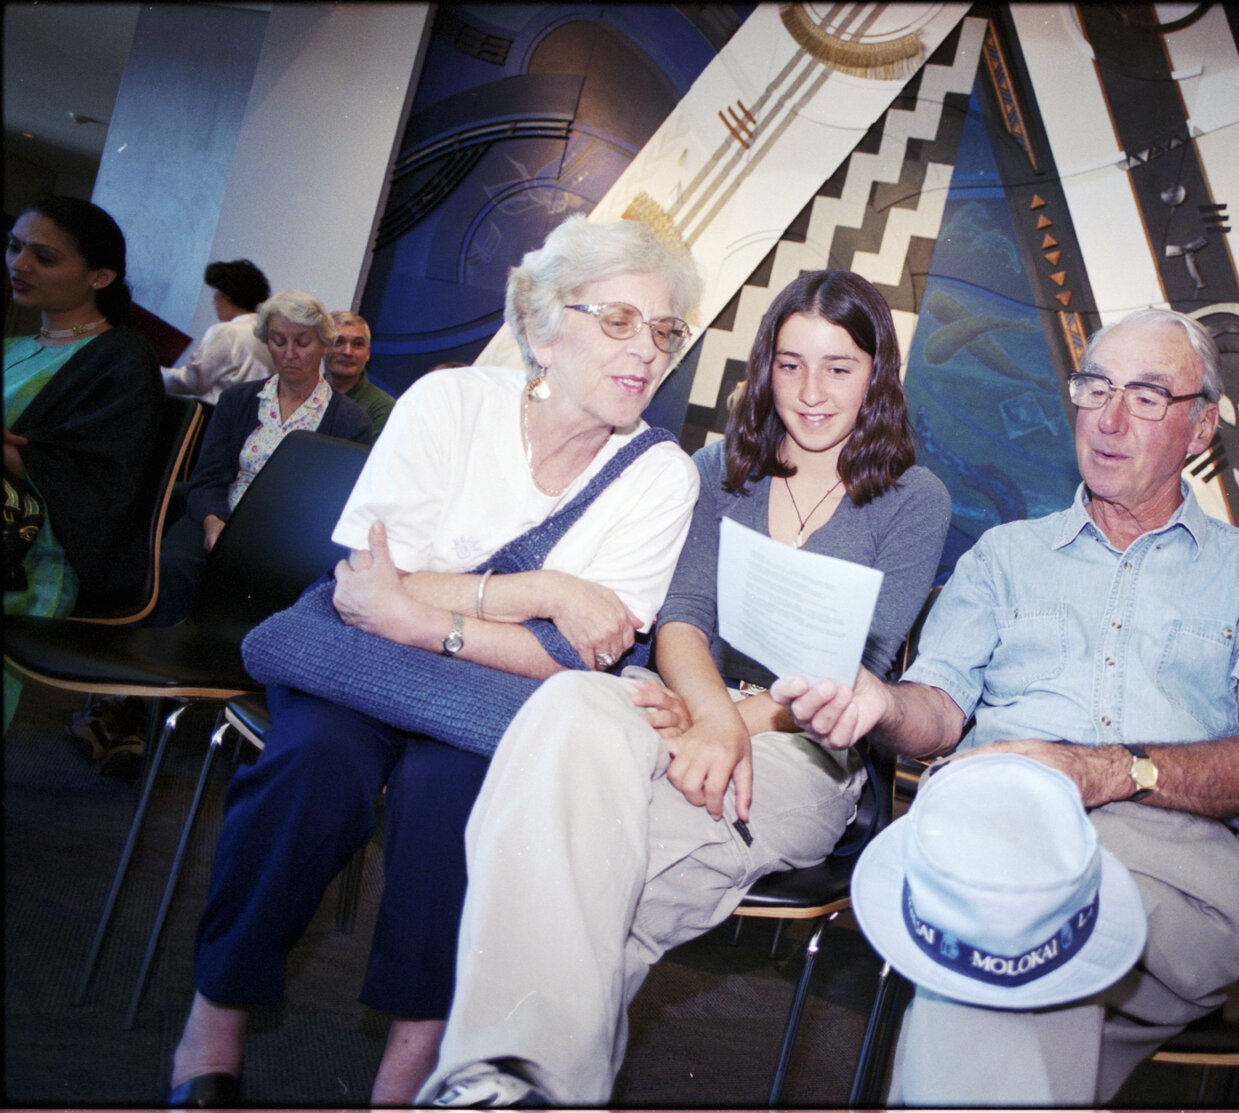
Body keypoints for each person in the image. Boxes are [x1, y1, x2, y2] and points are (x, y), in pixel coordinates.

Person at [166, 214, 705, 1106]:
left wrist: (430, 616)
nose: (646, 350)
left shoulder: (661, 475)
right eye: (617, 321)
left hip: (491, 693)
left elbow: (576, 656)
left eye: (663, 330)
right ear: (539, 325)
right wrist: (542, 591)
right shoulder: (450, 403)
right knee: (312, 766)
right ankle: (211, 1026)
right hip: (362, 659)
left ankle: (409, 1072)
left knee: (455, 801)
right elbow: (371, 581)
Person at [775, 307, 1239, 1105]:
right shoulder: (1003, 559)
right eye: (1096, 387)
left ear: (1201, 427)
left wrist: (1105, 771)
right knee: (1006, 980)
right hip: (999, 841)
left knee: (991, 950)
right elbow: (937, 711)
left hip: (1173, 875)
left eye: (1147, 397)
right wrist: (881, 703)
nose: (1110, 420)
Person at [420, 270, 951, 1105]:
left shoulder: (914, 498)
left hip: (803, 746)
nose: (811, 393)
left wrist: (725, 724)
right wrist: (707, 713)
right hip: (684, 698)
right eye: (790, 364)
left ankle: (503, 1081)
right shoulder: (721, 467)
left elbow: (863, 672)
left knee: (586, 871)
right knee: (568, 701)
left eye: (839, 368)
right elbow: (684, 616)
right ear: (765, 368)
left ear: (877, 374)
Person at [4, 196, 165, 729]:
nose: (19, 264)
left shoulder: (122, 354)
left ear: (100, 276)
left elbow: (98, 484)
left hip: (38, 539)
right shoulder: (14, 348)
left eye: (43, 257)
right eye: (14, 246)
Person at [152, 289, 372, 626]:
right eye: (278, 341)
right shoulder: (238, 399)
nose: (289, 354)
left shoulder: (350, 420)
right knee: (173, 565)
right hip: (221, 517)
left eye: (302, 342)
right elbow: (209, 477)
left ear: (324, 345)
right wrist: (214, 525)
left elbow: (335, 507)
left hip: (291, 538)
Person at [162, 259, 274, 404]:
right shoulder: (270, 335)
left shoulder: (228, 332)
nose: (214, 298)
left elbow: (192, 381)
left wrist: (149, 371)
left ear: (229, 295)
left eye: (217, 292)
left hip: (219, 417)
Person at [325, 309, 396, 440]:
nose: (348, 352)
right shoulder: (303, 394)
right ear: (322, 347)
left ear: (368, 353)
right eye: (338, 342)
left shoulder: (383, 407)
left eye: (357, 344)